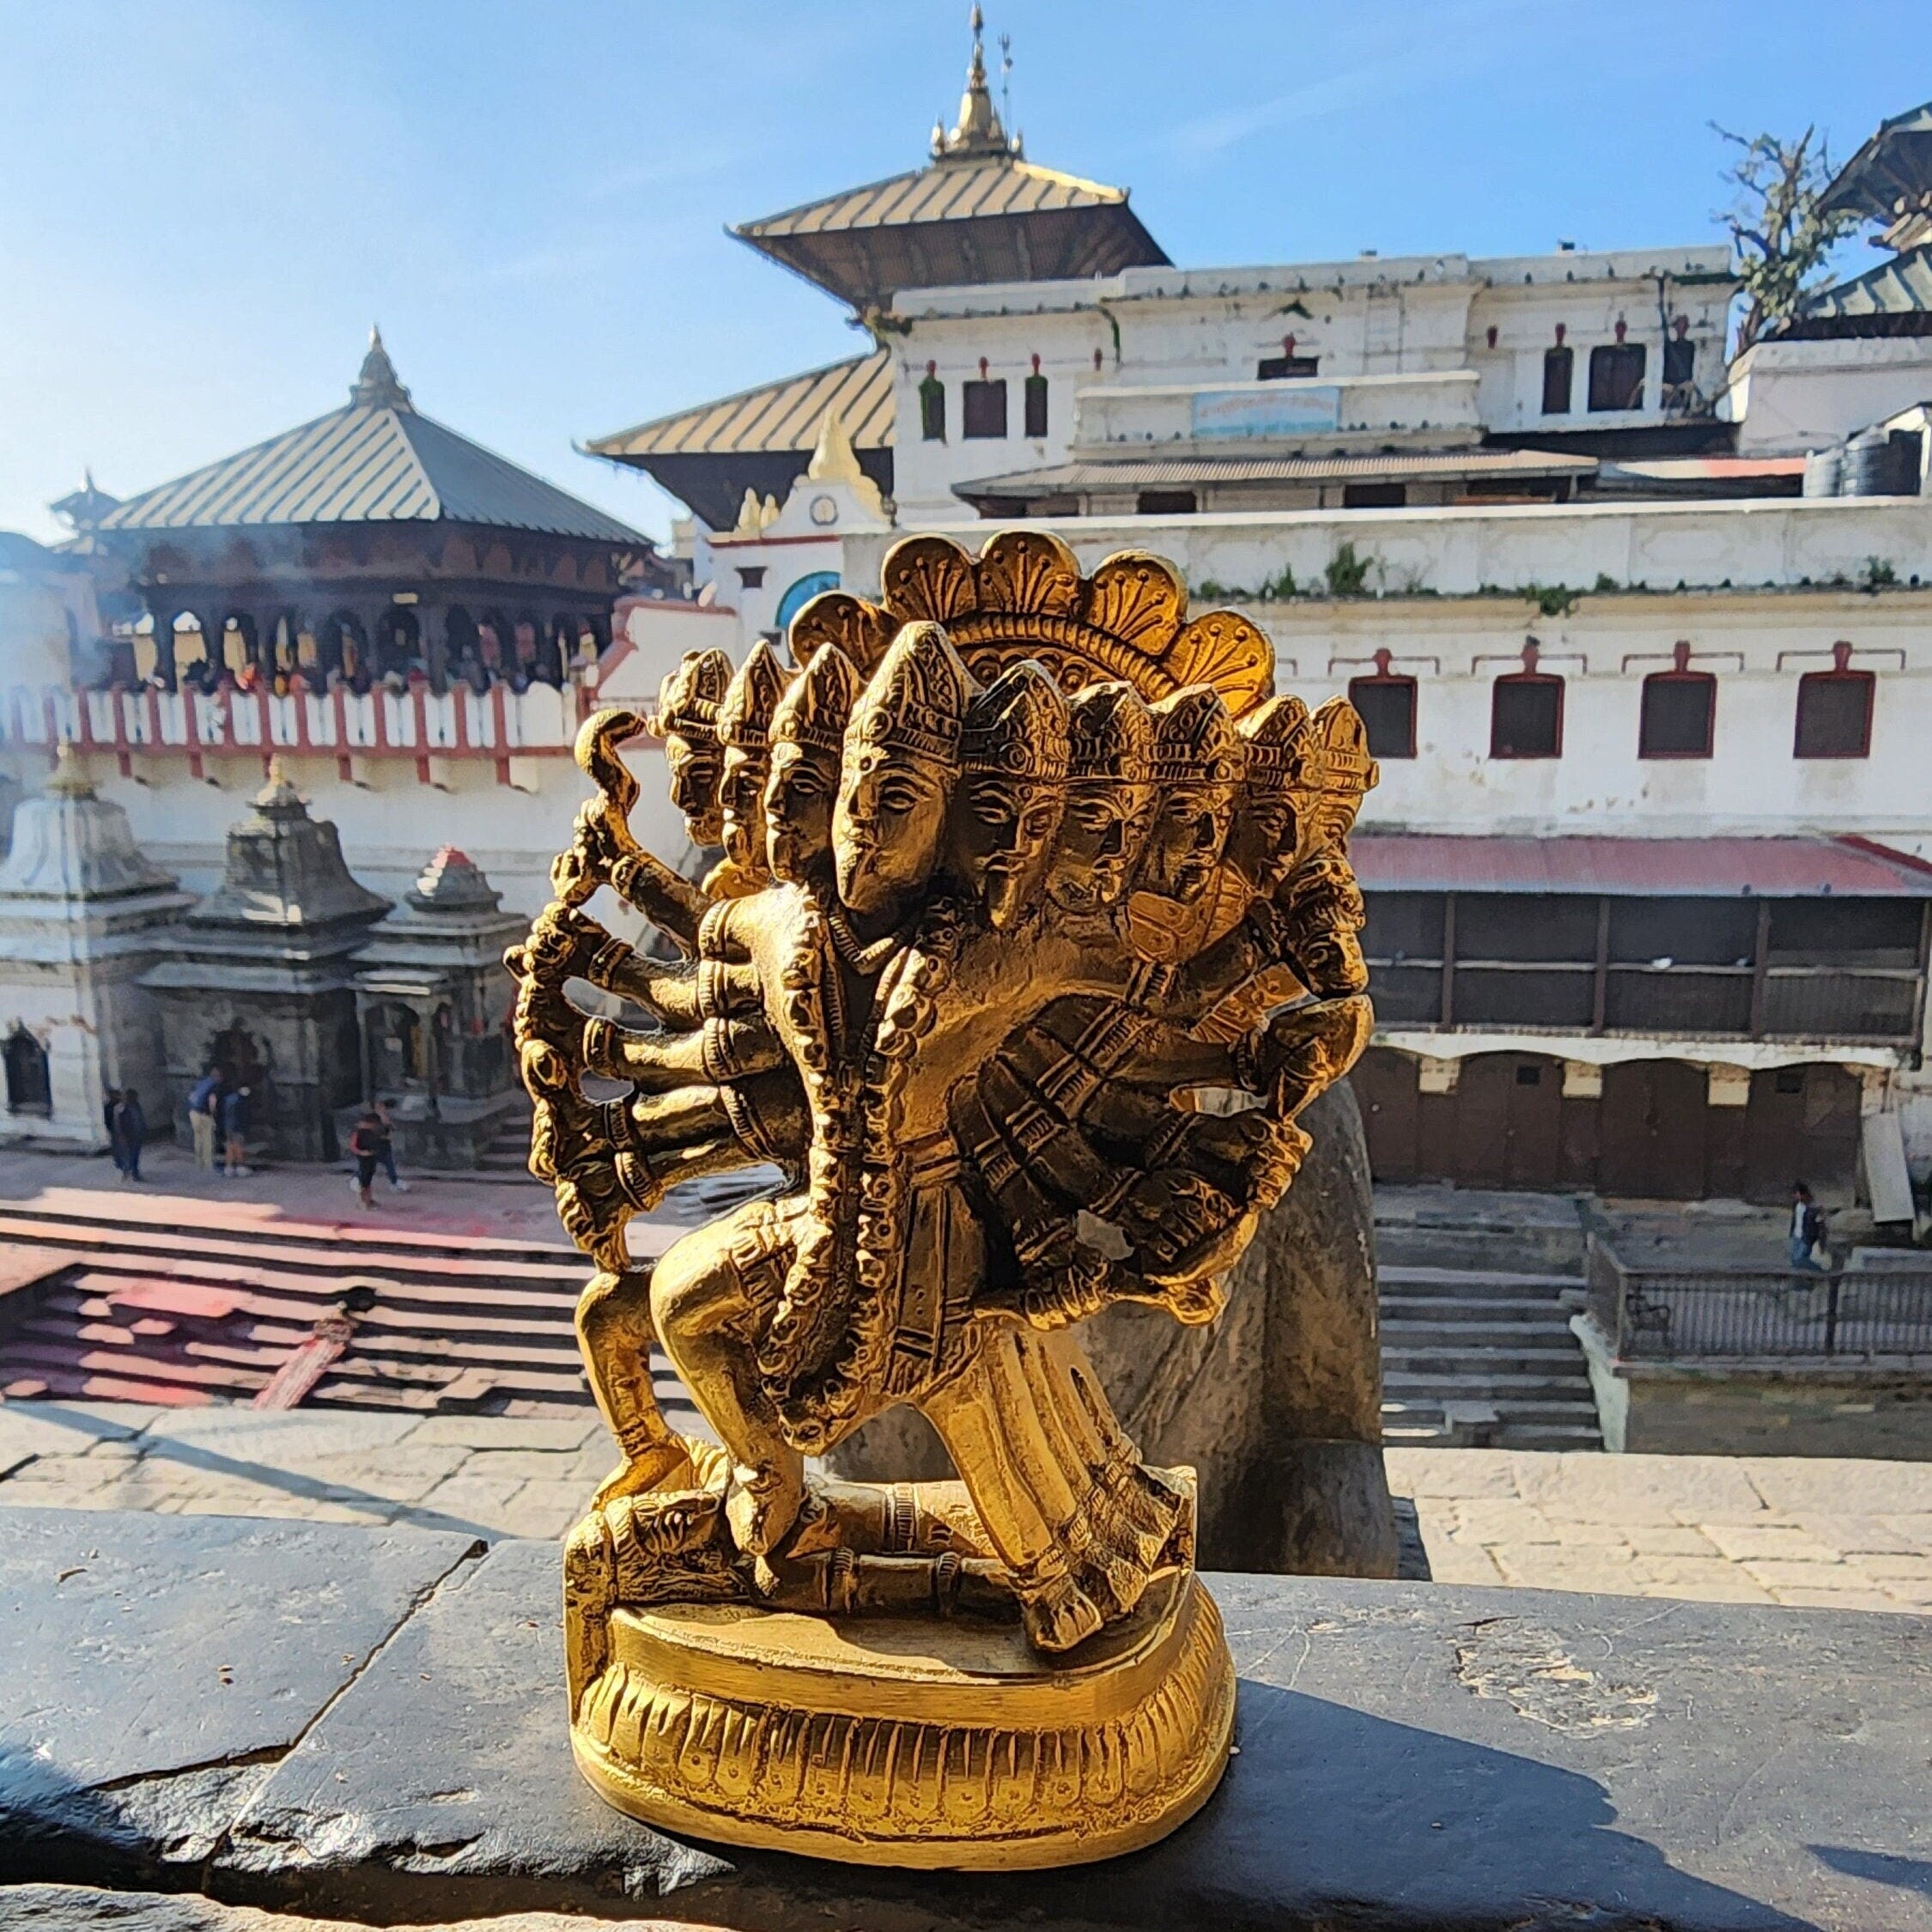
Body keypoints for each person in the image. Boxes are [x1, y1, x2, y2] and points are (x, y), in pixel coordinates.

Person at [187, 1066, 222, 1171]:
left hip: (193, 1113)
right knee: (208, 1140)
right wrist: (212, 1113)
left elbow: (191, 1096)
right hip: (204, 1114)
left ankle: (199, 1163)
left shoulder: (201, 1082)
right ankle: (208, 1164)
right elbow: (212, 1101)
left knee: (198, 1139)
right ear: (218, 1076)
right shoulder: (214, 1085)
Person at [110, 1087, 147, 1185]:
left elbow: (140, 1120)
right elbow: (118, 1125)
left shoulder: (136, 1105)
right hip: (127, 1137)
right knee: (128, 1155)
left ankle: (134, 1173)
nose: (134, 1099)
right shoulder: (121, 1108)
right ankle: (128, 1173)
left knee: (135, 1156)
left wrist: (143, 1131)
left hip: (136, 1135)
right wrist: (122, 1136)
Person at [373, 1097, 409, 1194]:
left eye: (382, 1106)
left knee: (389, 1164)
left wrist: (391, 1127)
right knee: (382, 1164)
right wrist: (387, 1137)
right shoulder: (376, 1119)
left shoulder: (384, 1117)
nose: (383, 1108)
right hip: (377, 1146)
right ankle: (357, 1179)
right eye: (380, 1107)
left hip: (385, 1146)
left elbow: (391, 1127)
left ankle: (395, 1181)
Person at [348, 1109, 382, 1210]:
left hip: (371, 1157)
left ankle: (368, 1199)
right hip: (363, 1158)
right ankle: (362, 1202)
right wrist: (362, 1153)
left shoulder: (373, 1132)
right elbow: (353, 1147)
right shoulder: (358, 1133)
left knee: (368, 1179)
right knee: (363, 1181)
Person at [1790, 1182, 1827, 1272]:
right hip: (1796, 1236)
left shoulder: (1815, 1208)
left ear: (1803, 1194)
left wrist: (1822, 1243)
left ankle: (1819, 1271)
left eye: (1796, 1193)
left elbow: (1821, 1227)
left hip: (1807, 1237)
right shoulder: (1796, 1204)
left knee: (1799, 1259)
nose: (1794, 1195)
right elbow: (1795, 1219)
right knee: (1795, 1261)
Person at [221, 1083, 252, 1178]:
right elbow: (243, 1116)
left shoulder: (229, 1098)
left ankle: (229, 1168)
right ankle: (240, 1167)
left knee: (230, 1146)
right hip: (237, 1127)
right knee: (238, 1146)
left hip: (228, 1125)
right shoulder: (241, 1101)